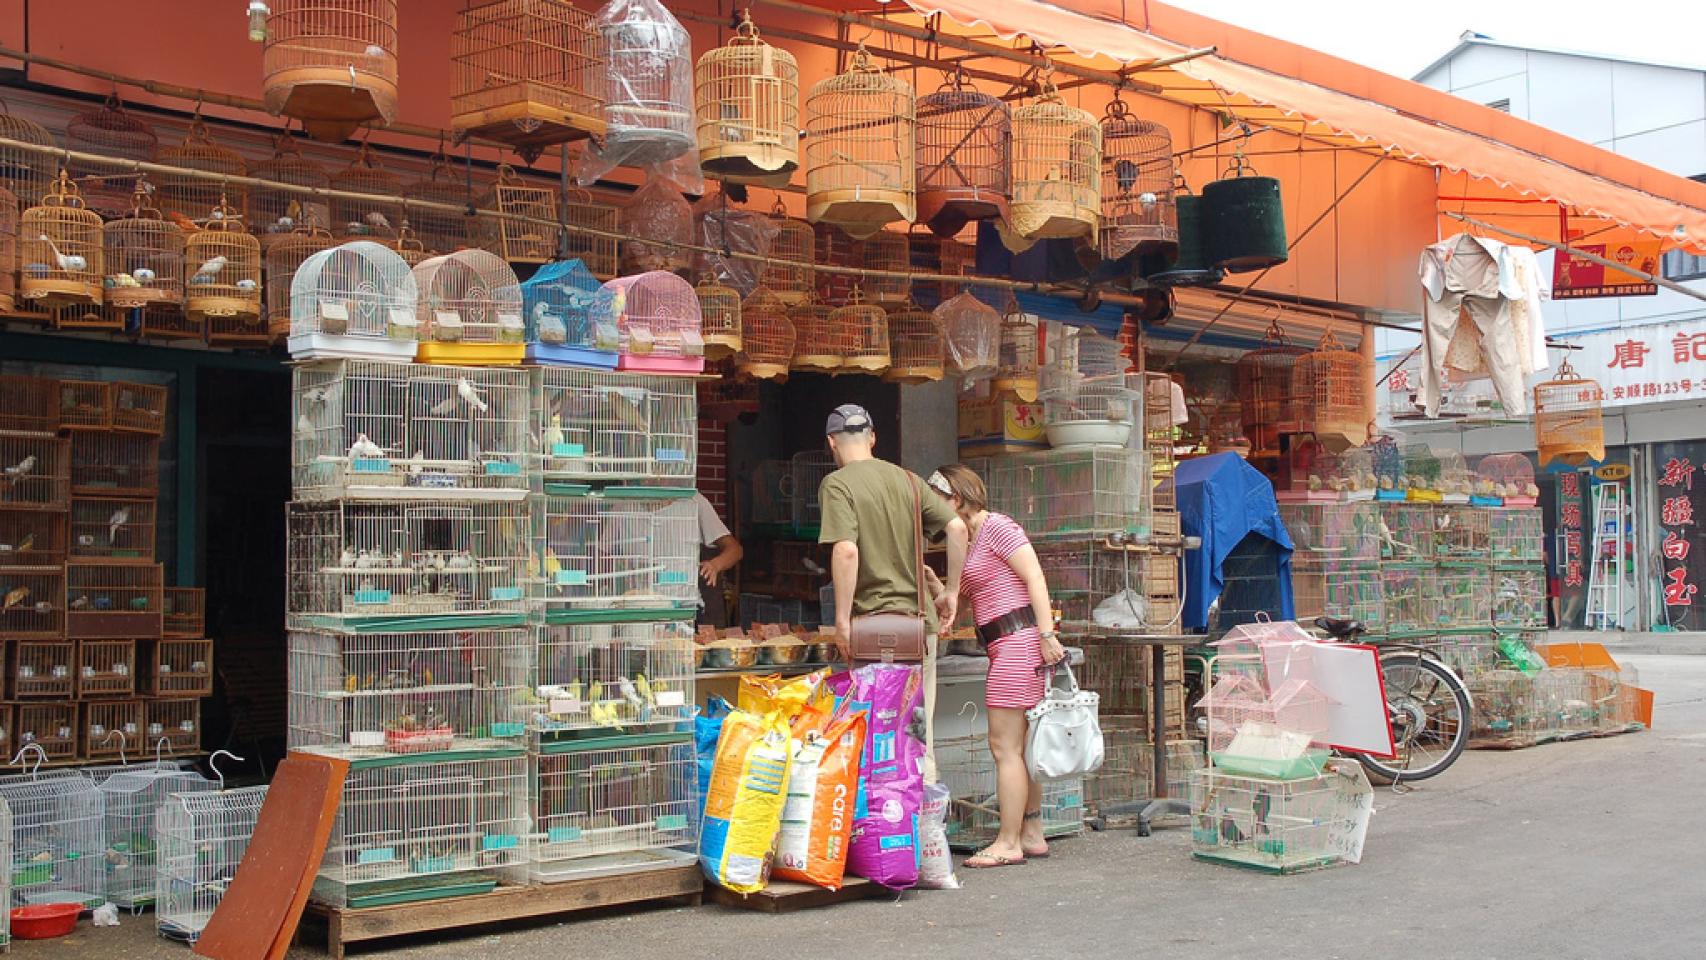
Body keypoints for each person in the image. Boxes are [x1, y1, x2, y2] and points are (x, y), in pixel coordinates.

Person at [817, 403, 967, 780]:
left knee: (875, 733)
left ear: (831, 443)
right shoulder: (909, 481)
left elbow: (847, 549)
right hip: (918, 627)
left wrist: (841, 620)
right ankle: (924, 827)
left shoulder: (838, 484)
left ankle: (883, 828)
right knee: (918, 730)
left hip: (873, 630)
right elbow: (958, 529)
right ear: (872, 437)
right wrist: (951, 591)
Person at [928, 462, 1066, 869]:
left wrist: (1046, 634)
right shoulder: (969, 538)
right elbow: (976, 594)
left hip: (1019, 642)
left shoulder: (998, 527)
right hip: (1009, 644)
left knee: (1004, 747)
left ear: (955, 499)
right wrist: (941, 588)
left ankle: (1008, 842)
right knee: (1022, 746)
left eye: (937, 504)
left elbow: (1035, 577)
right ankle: (1031, 832)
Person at [667, 492, 743, 628]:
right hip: (637, 608)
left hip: (687, 608)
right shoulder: (624, 501)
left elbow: (735, 550)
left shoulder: (693, 500)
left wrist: (715, 565)